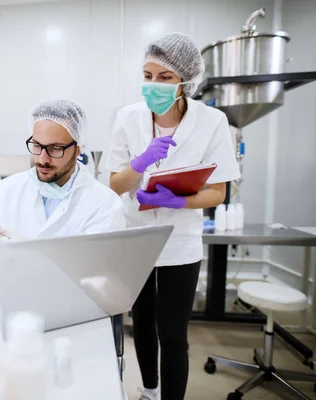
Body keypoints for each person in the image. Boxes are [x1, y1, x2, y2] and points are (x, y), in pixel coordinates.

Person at [106, 33, 240, 400]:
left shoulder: (212, 122)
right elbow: (115, 185)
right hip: (135, 237)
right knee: (143, 323)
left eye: (164, 77)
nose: (153, 85)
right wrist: (142, 161)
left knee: (174, 333)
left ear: (186, 81)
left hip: (180, 241)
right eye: (147, 75)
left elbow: (218, 191)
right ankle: (149, 391)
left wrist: (178, 201)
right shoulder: (128, 118)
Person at [0, 99, 125, 278]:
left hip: (74, 305)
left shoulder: (104, 204)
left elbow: (97, 275)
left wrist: (31, 258)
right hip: (15, 301)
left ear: (78, 149)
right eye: (37, 145)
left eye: (55, 148)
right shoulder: (6, 190)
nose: (43, 159)